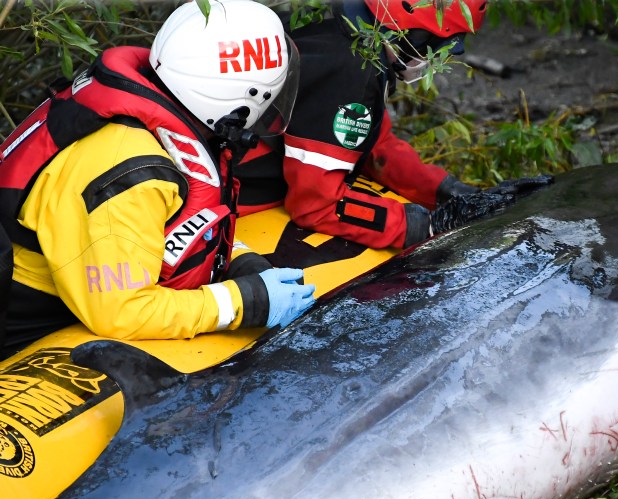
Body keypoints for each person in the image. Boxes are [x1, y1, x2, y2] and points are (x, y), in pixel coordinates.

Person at [0, 0, 316, 360]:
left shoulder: (150, 125)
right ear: (241, 100)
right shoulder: (132, 174)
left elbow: (155, 234)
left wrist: (236, 261)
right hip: (29, 321)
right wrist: (244, 302)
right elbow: (121, 312)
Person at [235, 0, 552, 250]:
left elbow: (375, 145)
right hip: (240, 196)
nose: (446, 56)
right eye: (442, 45)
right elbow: (315, 206)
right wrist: (424, 226)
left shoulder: (339, 23)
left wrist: (450, 192)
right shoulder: (352, 72)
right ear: (411, 32)